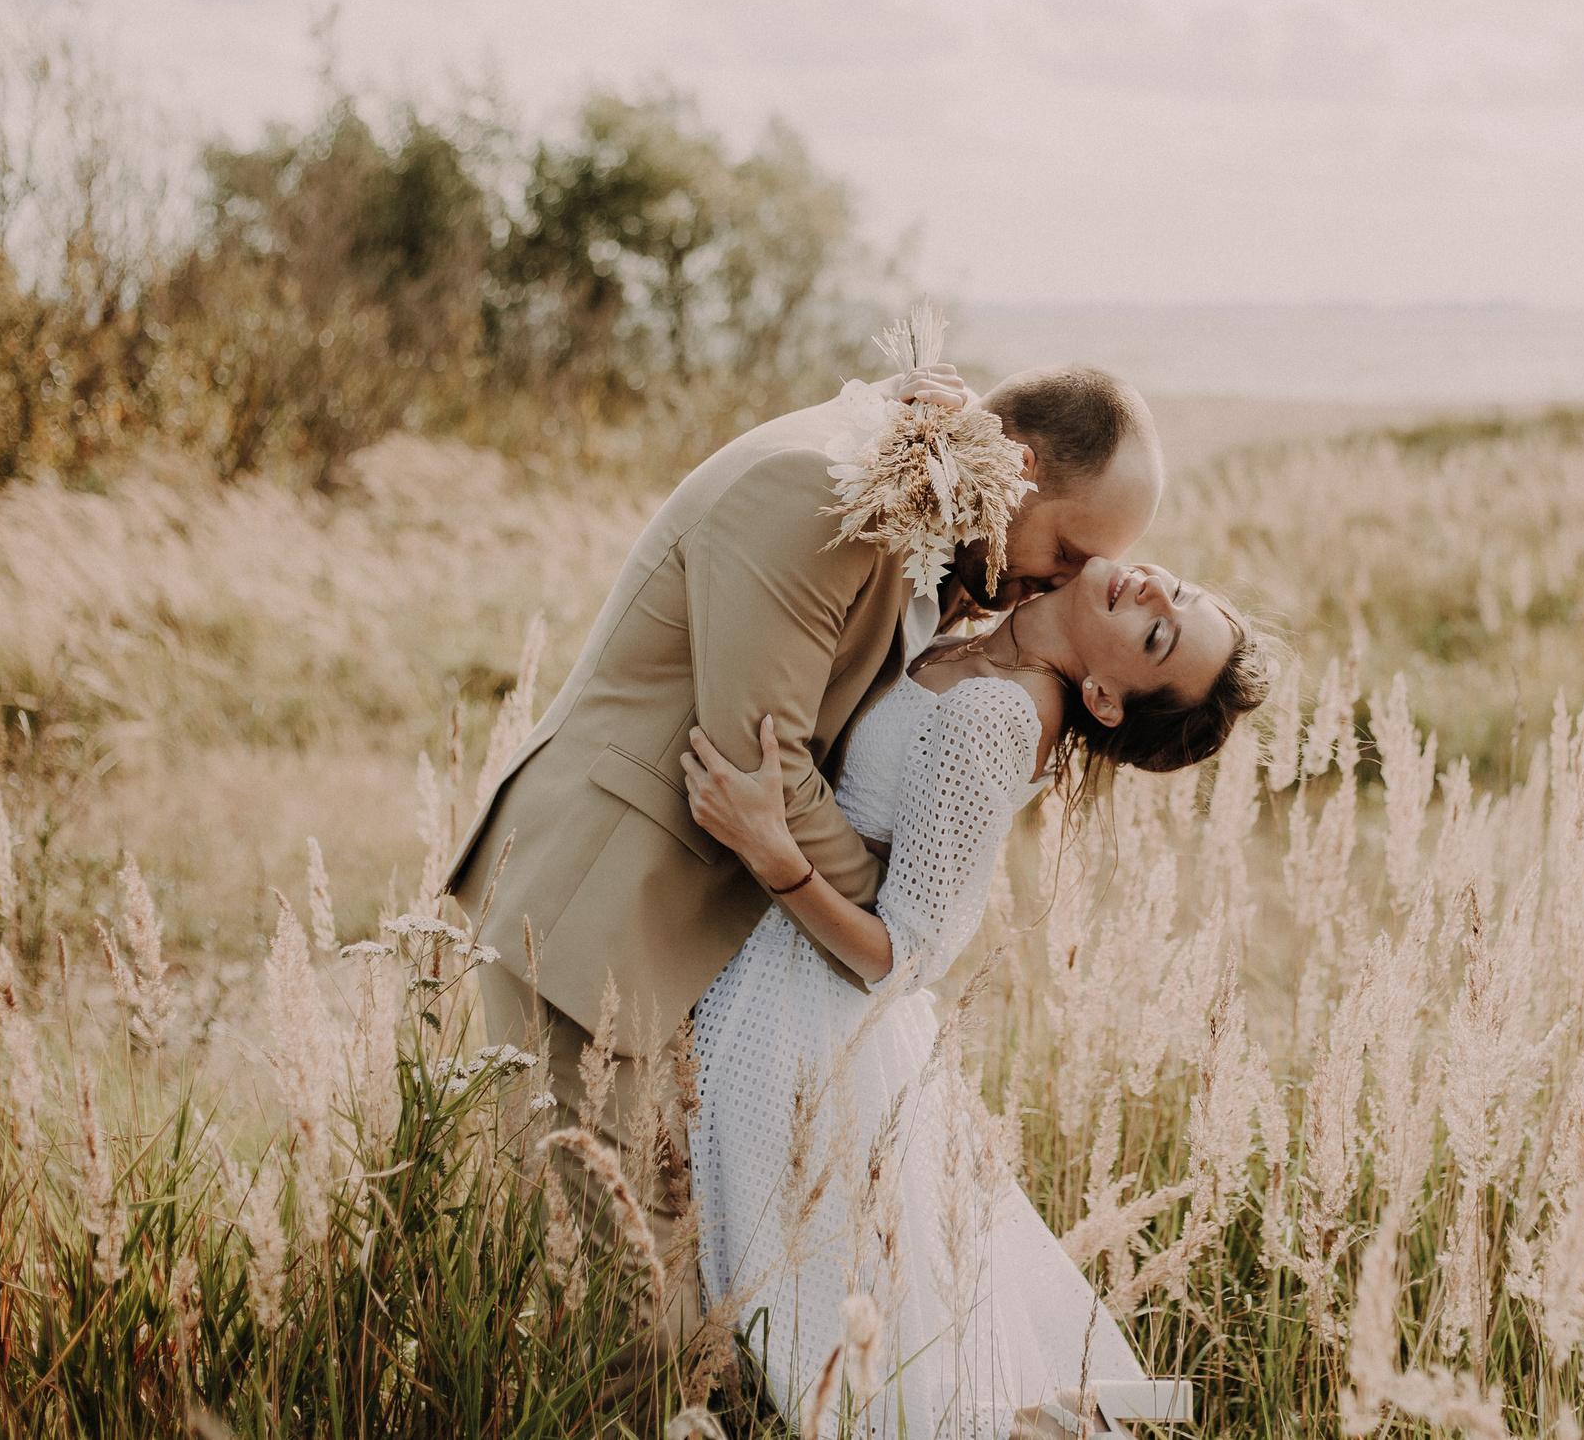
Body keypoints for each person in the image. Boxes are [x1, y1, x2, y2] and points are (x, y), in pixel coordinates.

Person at [443, 362, 1166, 1336]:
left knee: (691, 1307)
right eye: (1070, 551)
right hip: (600, 914)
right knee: (630, 1313)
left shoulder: (936, 516)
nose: (1066, 585)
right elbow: (765, 769)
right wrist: (883, 908)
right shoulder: (818, 491)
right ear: (1021, 471)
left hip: (689, 942)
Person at [681, 554, 1272, 1437]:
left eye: (1157, 635)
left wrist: (774, 853)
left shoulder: (999, 714)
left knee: (834, 1371)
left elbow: (910, 955)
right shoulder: (985, 636)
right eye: (1174, 591)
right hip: (780, 986)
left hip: (796, 1028)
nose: (1152, 590)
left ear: (1106, 699)